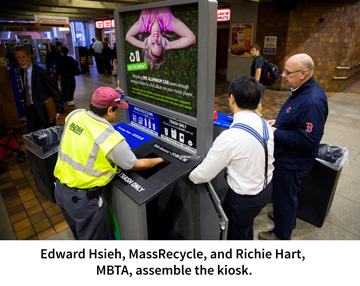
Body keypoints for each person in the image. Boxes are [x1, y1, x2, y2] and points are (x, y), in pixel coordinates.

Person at [53, 86, 165, 240]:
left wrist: (111, 94)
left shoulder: (74, 115)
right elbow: (135, 164)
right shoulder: (108, 137)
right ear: (110, 110)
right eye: (116, 109)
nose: (117, 113)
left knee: (79, 236)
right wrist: (162, 159)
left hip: (60, 192)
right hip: (83, 201)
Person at [189, 75, 275, 240]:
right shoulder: (265, 125)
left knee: (235, 236)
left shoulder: (230, 137)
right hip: (265, 189)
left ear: (232, 99)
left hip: (243, 199)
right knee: (246, 227)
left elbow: (204, 174)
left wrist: (189, 175)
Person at [258, 53, 328, 240]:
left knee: (285, 196)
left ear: (303, 73)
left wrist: (276, 132)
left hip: (293, 161)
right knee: (285, 195)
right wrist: (279, 123)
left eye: (288, 73)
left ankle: (281, 233)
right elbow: (296, 120)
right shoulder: (301, 90)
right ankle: (286, 217)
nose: (283, 76)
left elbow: (308, 139)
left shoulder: (313, 101)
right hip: (287, 156)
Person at [125, 6, 196, 70]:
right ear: (163, 42)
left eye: (152, 44)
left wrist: (143, 45)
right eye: (159, 45)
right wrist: (170, 45)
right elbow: (192, 38)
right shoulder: (168, 22)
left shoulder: (143, 24)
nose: (156, 40)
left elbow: (128, 37)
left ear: (148, 42)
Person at [14, 45, 64, 133]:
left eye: (23, 57)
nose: (21, 61)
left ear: (29, 57)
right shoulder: (21, 72)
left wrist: (59, 110)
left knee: (50, 134)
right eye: (18, 58)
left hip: (44, 110)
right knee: (32, 134)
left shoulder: (41, 72)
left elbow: (55, 91)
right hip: (31, 110)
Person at [250, 44, 265, 116]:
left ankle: (258, 116)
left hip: (258, 83)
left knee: (258, 100)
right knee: (258, 100)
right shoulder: (260, 59)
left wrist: (256, 83)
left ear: (257, 51)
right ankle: (257, 115)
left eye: (253, 50)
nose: (251, 52)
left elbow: (258, 72)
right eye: (250, 50)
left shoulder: (258, 60)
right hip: (260, 83)